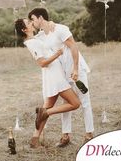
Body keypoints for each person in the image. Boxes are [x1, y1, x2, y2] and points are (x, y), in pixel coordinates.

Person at [28, 7, 94, 146]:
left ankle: (89, 134)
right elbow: (31, 39)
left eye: (33, 19)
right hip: (62, 73)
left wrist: (75, 68)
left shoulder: (60, 29)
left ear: (40, 18)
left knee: (85, 102)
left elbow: (74, 47)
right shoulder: (41, 36)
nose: (32, 23)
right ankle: (65, 136)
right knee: (66, 104)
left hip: (77, 70)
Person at [15, 18, 80, 148]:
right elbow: (42, 63)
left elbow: (46, 29)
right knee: (75, 103)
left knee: (47, 107)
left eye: (30, 20)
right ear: (24, 30)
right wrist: (57, 54)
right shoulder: (31, 43)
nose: (31, 23)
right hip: (54, 77)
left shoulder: (35, 39)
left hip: (55, 74)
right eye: (28, 23)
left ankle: (34, 140)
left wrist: (51, 23)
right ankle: (46, 113)